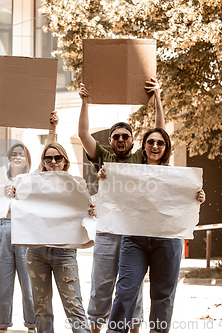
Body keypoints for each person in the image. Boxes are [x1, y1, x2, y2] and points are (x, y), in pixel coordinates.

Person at [78, 78, 164, 333]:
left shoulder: (141, 157)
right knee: (101, 285)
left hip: (134, 232)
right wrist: (84, 102)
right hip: (106, 232)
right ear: (110, 140)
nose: (121, 139)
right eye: (116, 136)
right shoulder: (102, 158)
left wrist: (157, 96)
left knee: (132, 288)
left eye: (125, 136)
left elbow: (160, 131)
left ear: (133, 140)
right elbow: (83, 134)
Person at [104, 128, 206, 333]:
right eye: (151, 142)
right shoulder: (129, 173)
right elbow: (114, 194)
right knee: (125, 292)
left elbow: (183, 204)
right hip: (135, 240)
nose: (155, 146)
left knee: (163, 295)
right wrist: (106, 178)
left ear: (166, 148)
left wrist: (197, 197)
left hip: (167, 241)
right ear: (144, 146)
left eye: (160, 143)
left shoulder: (178, 177)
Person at [0, 111, 58, 333]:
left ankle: (32, 327)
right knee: (2, 285)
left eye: (22, 154)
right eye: (13, 154)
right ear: (8, 160)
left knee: (30, 286)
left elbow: (49, 151)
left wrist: (52, 129)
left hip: (26, 232)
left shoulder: (33, 178)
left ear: (28, 159)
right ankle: (2, 327)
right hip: (3, 229)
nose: (17, 157)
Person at [22, 142, 95, 333]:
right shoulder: (32, 183)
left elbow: (86, 210)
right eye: (48, 158)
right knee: (41, 309)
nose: (53, 161)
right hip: (36, 253)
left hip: (64, 253)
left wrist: (92, 209)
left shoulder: (76, 182)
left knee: (74, 307)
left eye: (57, 158)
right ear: (43, 162)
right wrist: (13, 194)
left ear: (65, 161)